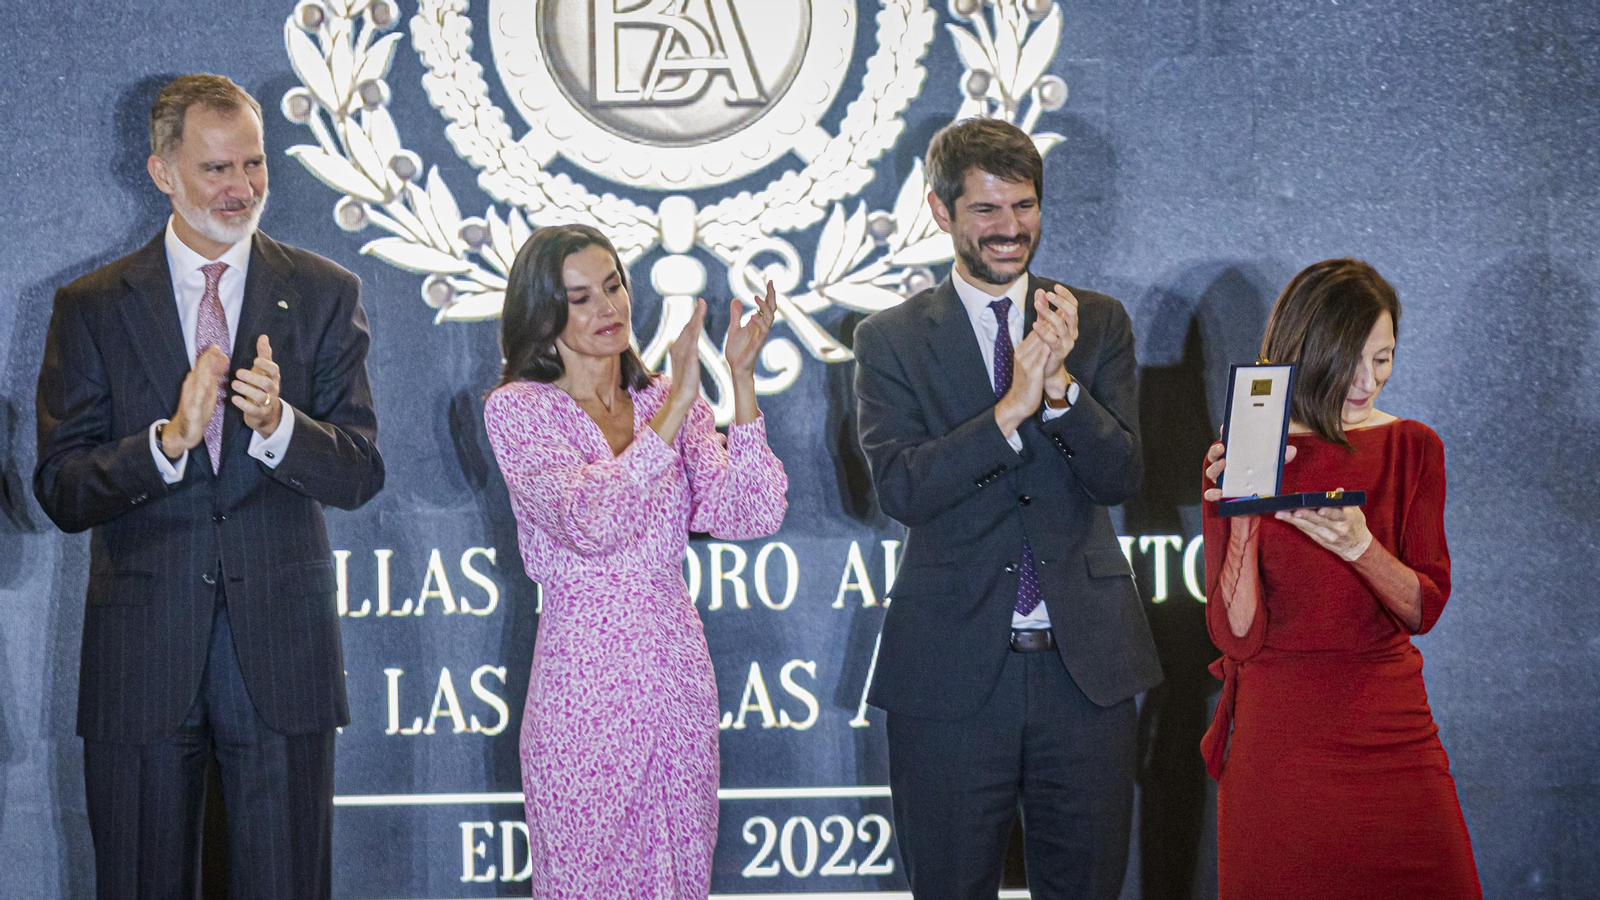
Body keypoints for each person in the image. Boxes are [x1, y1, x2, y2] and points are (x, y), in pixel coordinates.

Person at [32, 74, 384, 898]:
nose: (241, 189)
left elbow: (362, 469)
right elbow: (60, 488)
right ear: (162, 171)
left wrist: (280, 430)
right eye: (217, 169)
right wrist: (166, 444)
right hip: (141, 666)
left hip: (282, 660)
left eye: (254, 166)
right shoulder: (90, 307)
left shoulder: (327, 293)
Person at [852, 118, 1163, 899]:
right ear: (940, 210)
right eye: (987, 210)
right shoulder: (890, 339)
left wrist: (1059, 393)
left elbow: (1121, 474)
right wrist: (1008, 412)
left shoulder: (1094, 322)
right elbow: (903, 487)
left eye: (1024, 206)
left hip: (1083, 675)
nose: (1010, 229)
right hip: (951, 680)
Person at [482, 224, 788, 896]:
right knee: (588, 879)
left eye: (613, 285)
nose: (608, 309)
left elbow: (749, 512)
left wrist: (738, 380)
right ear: (544, 314)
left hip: (677, 673)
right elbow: (591, 521)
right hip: (584, 680)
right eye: (581, 297)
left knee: (680, 874)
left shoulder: (660, 400)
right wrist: (677, 405)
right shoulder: (520, 412)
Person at [1199, 258, 1480, 898]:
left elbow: (1421, 609)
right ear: (1306, 354)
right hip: (1283, 746)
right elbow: (1236, 636)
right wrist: (1240, 516)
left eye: (1382, 359)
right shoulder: (1249, 451)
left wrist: (1362, 548)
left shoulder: (1415, 447)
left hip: (1393, 732)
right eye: (1350, 361)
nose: (1367, 380)